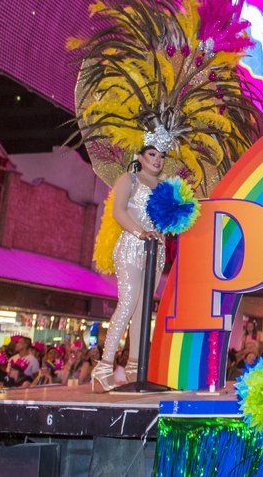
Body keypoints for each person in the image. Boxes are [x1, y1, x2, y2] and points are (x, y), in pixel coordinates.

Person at [92, 145, 166, 392]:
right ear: (139, 157)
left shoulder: (167, 186)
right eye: (152, 154)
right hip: (132, 247)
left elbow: (171, 219)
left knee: (144, 310)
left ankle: (135, 367)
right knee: (128, 303)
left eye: (162, 156)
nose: (158, 160)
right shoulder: (129, 179)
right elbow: (118, 211)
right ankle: (103, 367)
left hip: (157, 251)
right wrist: (140, 232)